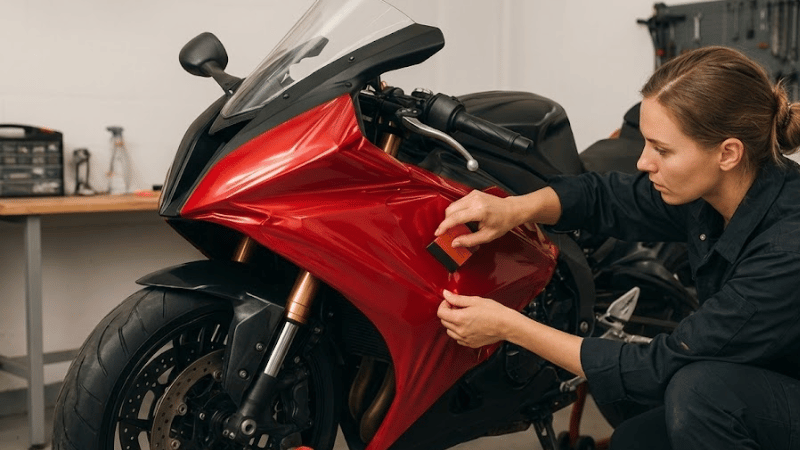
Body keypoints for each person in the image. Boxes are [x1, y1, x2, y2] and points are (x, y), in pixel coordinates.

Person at [435, 46, 800, 449]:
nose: (644, 162)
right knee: (634, 441)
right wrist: (515, 208)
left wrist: (508, 326)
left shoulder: (787, 247)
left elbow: (658, 368)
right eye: (646, 143)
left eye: (662, 150)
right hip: (766, 376)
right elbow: (608, 198)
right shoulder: (717, 191)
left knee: (699, 393)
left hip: (772, 389)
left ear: (728, 153)